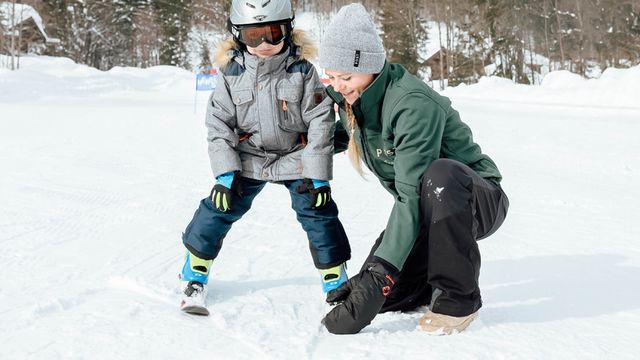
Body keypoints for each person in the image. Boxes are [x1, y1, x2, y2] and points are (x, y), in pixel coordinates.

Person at [317, 3, 509, 334]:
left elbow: (409, 194)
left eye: (346, 77)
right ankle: (421, 287)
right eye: (332, 77)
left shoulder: (411, 104)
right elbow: (329, 138)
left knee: (440, 177)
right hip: (426, 206)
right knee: (391, 297)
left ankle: (458, 301)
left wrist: (380, 273)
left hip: (474, 198)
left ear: (371, 67)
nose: (339, 85)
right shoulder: (357, 99)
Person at [178, 0, 351, 315]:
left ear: (288, 30)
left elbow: (320, 120)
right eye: (253, 36)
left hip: (295, 155)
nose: (265, 44)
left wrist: (317, 174)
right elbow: (218, 125)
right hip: (250, 157)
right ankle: (194, 276)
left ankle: (335, 281)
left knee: (318, 210)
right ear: (237, 35)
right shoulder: (230, 74)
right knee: (218, 207)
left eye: (274, 33)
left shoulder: (302, 71)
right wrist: (225, 175)